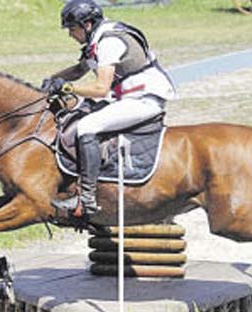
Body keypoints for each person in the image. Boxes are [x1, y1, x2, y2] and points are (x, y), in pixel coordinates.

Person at [46, 0, 176, 216]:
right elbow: (80, 69)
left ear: (87, 24)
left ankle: (87, 198)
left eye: (72, 28)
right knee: (80, 112)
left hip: (144, 100)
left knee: (86, 126)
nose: (70, 34)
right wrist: (52, 79)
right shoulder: (97, 39)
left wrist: (68, 87)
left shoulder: (109, 42)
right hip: (127, 97)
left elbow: (100, 87)